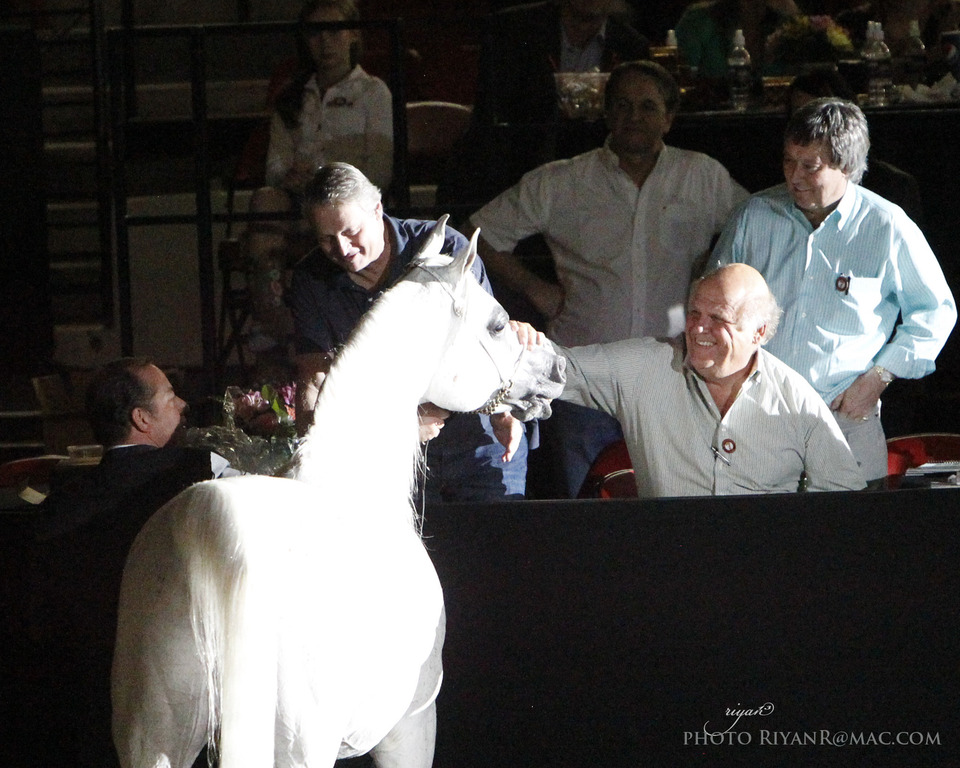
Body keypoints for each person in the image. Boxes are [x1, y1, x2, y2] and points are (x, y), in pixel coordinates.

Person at [470, 59, 749, 497]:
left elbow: (753, 232)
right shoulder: (562, 182)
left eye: (647, 106)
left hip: (674, 378)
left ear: (669, 118)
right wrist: (536, 290)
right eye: (622, 106)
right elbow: (479, 234)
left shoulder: (702, 177)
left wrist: (712, 280)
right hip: (583, 377)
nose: (634, 117)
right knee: (585, 517)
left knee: (672, 512)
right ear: (606, 113)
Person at [710, 98, 957, 485]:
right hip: (756, 416)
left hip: (846, 416)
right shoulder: (754, 216)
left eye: (810, 166)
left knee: (851, 541)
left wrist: (878, 377)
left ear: (846, 166)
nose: (794, 176)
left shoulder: (886, 225)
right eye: (789, 161)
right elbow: (714, 307)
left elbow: (937, 311)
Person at [27, 358, 233, 768]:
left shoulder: (59, 504)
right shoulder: (200, 471)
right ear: (142, 418)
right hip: (185, 694)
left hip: (83, 700)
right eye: (171, 398)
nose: (183, 405)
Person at [288, 162, 529, 503]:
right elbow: (314, 379)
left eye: (350, 231)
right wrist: (309, 455)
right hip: (393, 464)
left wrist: (506, 413)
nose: (342, 249)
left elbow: (486, 346)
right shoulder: (311, 280)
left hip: (480, 444)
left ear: (377, 209)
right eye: (326, 239)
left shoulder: (445, 249)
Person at [541, 264, 866, 496]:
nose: (698, 329)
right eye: (695, 314)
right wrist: (520, 339)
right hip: (668, 570)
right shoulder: (644, 367)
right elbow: (554, 368)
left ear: (760, 332)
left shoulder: (796, 399)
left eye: (718, 319)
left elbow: (843, 498)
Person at [244, 0, 393, 362]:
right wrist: (293, 177)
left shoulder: (373, 94)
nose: (325, 41)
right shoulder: (292, 97)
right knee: (265, 199)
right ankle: (273, 317)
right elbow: (274, 168)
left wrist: (325, 179)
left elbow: (380, 170)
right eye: (315, 32)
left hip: (347, 207)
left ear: (352, 34)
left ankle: (288, 326)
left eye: (334, 30)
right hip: (298, 204)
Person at [438, 0, 651, 213]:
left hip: (598, 169)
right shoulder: (512, 29)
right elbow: (493, 115)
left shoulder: (632, 45)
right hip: (521, 162)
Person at [785, 68, 925, 228]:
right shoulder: (772, 200)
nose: (806, 126)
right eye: (798, 114)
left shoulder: (894, 193)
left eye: (819, 117)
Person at [674, 0, 800, 80]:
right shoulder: (698, 20)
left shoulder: (785, 20)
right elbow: (681, 78)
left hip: (774, 116)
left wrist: (796, 18)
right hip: (713, 117)